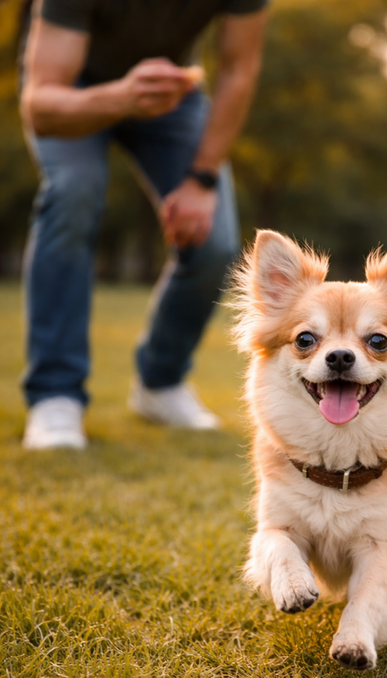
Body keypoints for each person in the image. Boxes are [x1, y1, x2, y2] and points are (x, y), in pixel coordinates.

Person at [19, 0, 268, 449]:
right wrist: (119, 97)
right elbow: (40, 104)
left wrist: (202, 178)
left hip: (172, 95)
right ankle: (55, 395)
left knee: (214, 241)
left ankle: (161, 382)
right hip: (71, 92)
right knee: (74, 194)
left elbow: (239, 70)